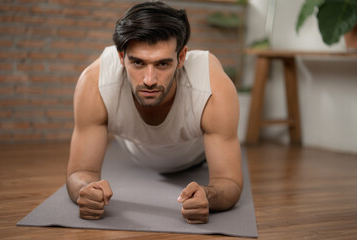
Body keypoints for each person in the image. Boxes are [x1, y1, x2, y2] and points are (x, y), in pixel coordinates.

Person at [66, 1, 243, 224]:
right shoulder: (94, 82)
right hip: (136, 151)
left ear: (181, 58)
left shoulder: (211, 86)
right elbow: (79, 171)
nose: (149, 80)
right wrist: (86, 189)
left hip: (193, 157)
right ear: (121, 57)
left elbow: (230, 182)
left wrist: (208, 195)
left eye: (162, 64)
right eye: (138, 63)